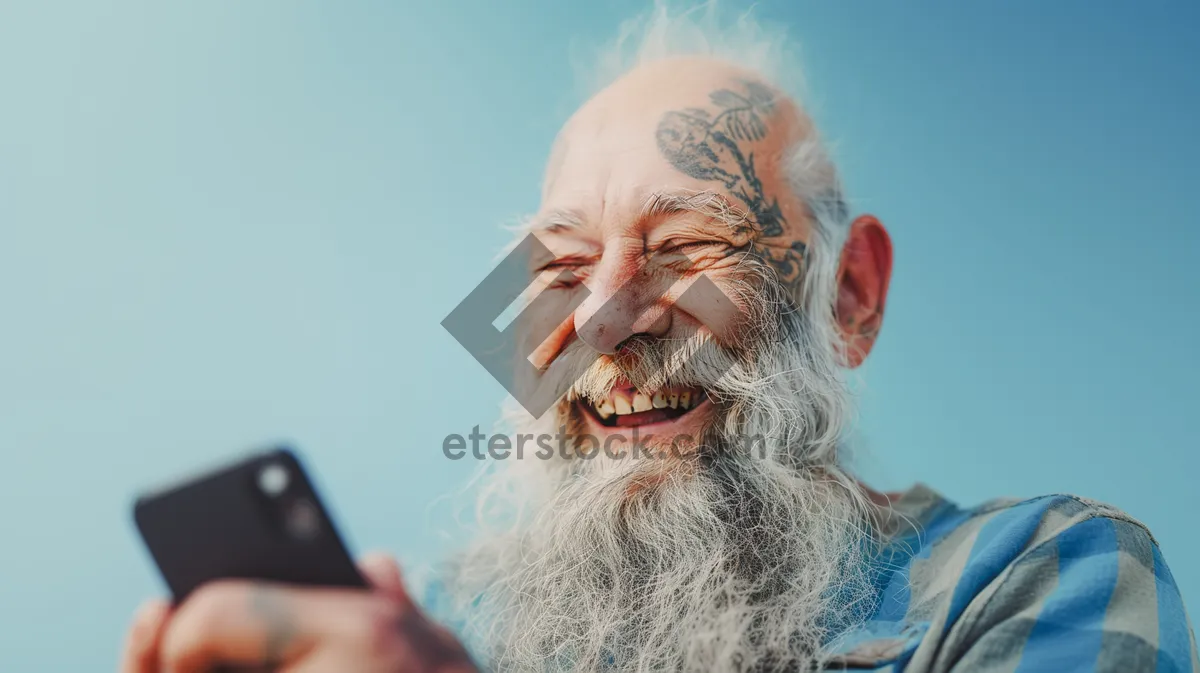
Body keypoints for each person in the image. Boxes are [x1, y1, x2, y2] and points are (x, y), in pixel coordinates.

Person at [119, 4, 1198, 672]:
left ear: (851, 293)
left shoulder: (1044, 575)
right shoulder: (446, 616)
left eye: (685, 244)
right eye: (561, 265)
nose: (605, 318)